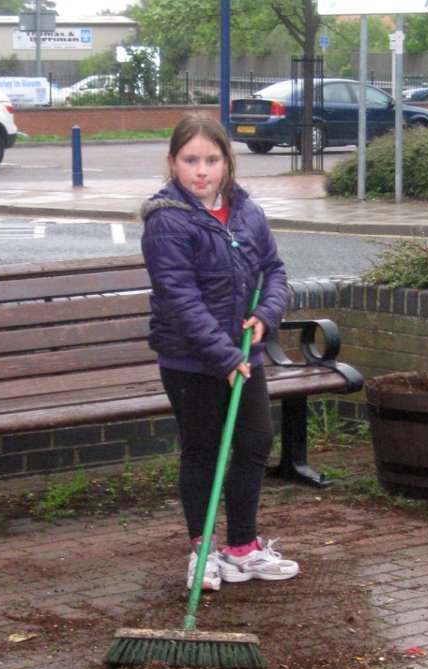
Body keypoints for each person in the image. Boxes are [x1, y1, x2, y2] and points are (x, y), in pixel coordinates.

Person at [140, 112, 299, 591]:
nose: (202, 170)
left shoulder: (246, 211)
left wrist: (266, 317)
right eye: (191, 160)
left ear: (227, 162)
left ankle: (243, 547)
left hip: (243, 355)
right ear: (173, 163)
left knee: (253, 441)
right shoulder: (166, 222)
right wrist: (225, 356)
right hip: (191, 361)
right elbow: (179, 299)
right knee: (203, 452)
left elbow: (275, 271)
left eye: (211, 159)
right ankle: (203, 551)